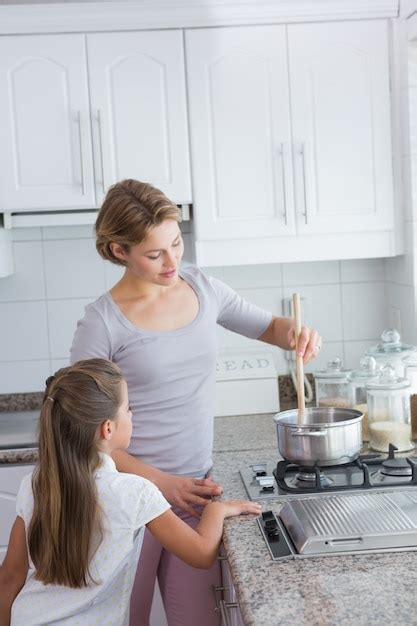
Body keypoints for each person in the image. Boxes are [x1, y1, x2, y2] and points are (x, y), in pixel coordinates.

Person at [69, 179, 322, 626]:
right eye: (154, 254)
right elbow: (83, 434)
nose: (172, 262)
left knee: (199, 620)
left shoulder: (203, 289)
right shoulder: (101, 323)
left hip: (196, 494)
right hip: (127, 499)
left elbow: (271, 326)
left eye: (176, 243)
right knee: (127, 619)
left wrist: (298, 334)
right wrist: (160, 482)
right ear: (117, 250)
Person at [0, 359, 261, 626]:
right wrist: (218, 509)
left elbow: (10, 577)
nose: (132, 415)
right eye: (128, 408)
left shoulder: (35, 484)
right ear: (108, 428)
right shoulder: (134, 492)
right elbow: (202, 553)